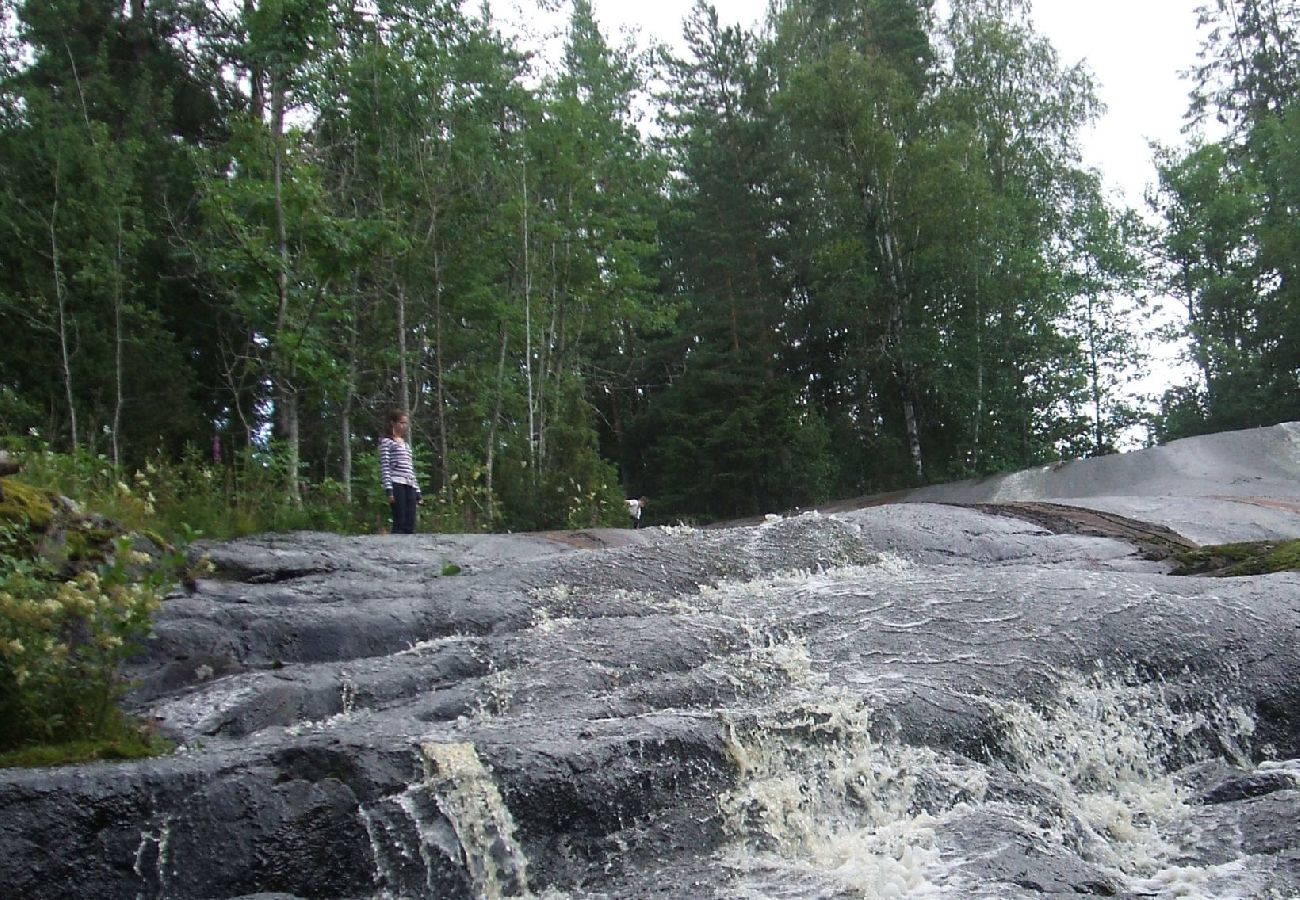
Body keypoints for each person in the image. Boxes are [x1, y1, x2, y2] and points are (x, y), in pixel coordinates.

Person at [380, 409, 421, 534]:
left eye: (406, 423)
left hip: (410, 484)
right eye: (401, 423)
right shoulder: (386, 442)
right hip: (396, 483)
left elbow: (410, 468)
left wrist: (418, 491)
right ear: (393, 423)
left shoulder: (406, 445)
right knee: (400, 520)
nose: (404, 426)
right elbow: (385, 466)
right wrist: (389, 490)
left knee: (410, 521)